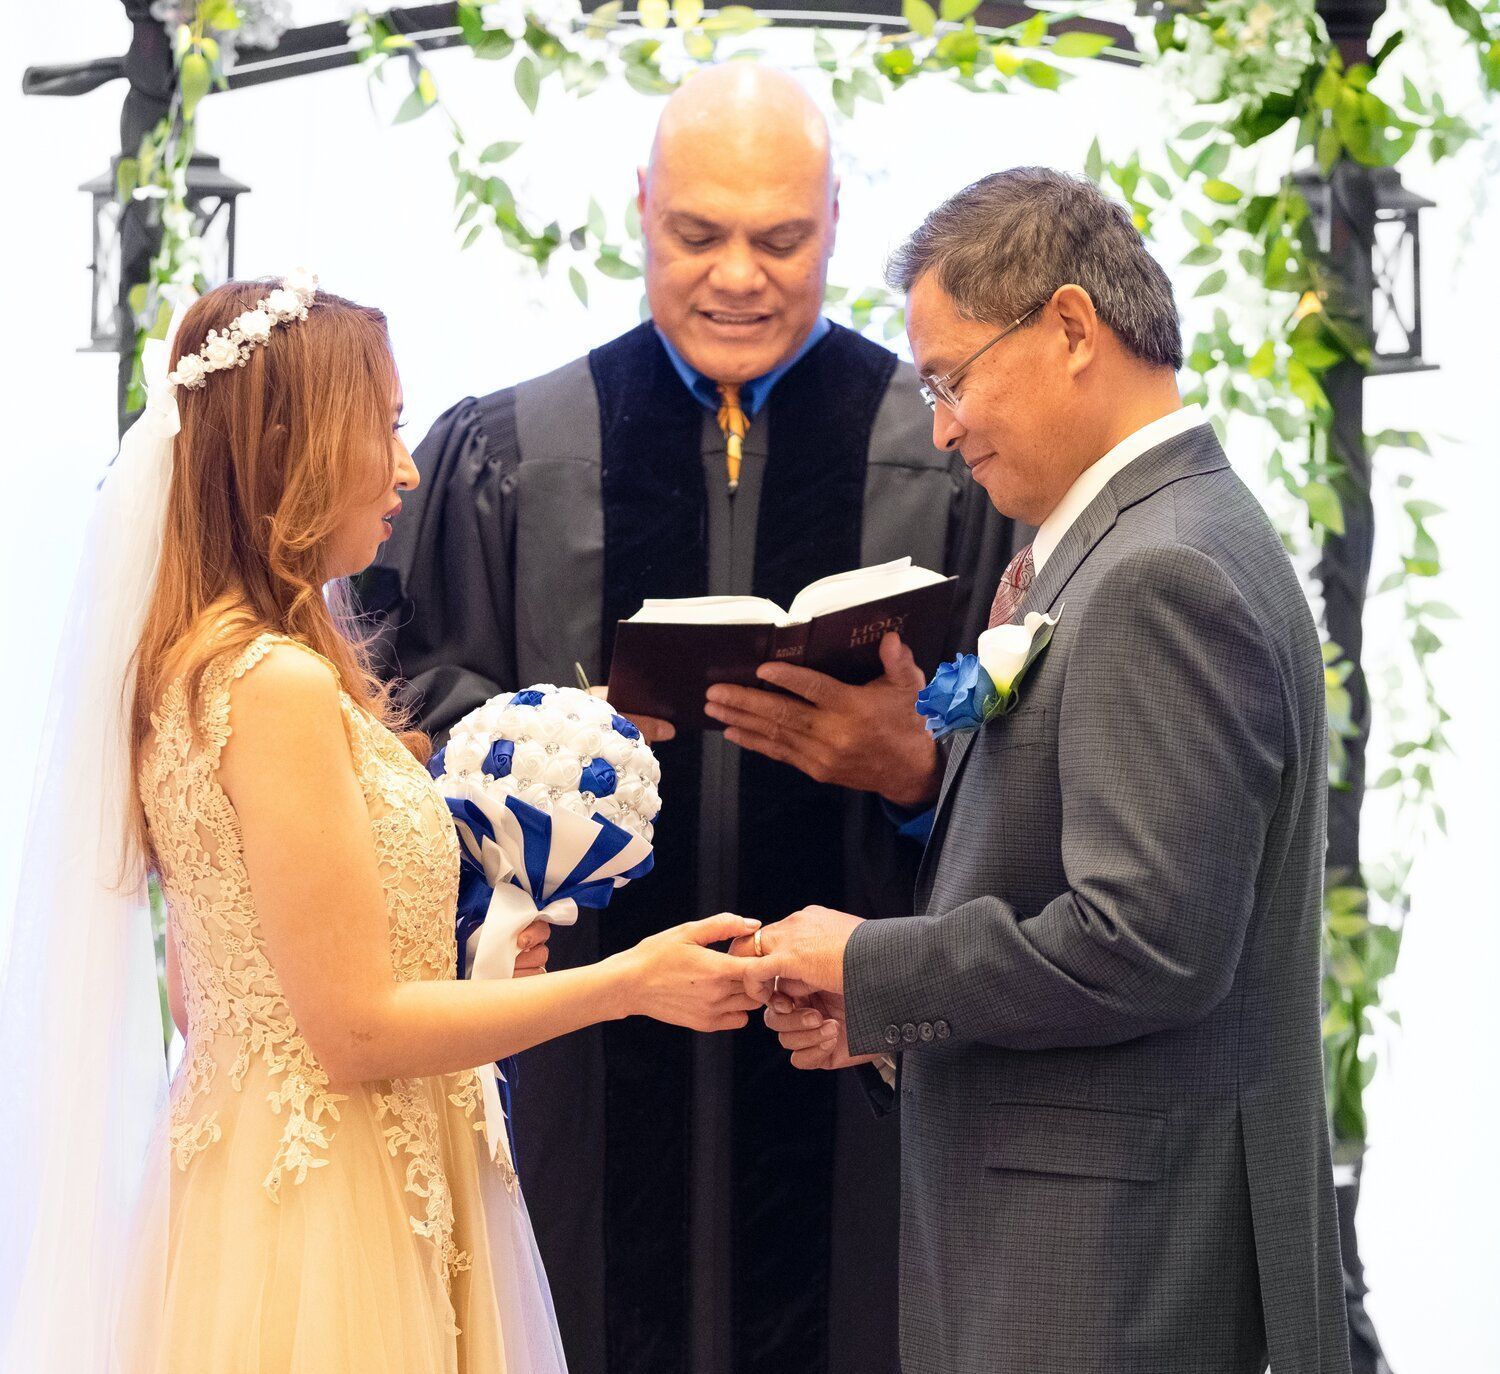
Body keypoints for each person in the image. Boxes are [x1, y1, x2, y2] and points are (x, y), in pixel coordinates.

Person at [361, 63, 1016, 1374]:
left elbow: (1043, 763)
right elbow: (397, 711)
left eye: (780, 238)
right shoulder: (512, 450)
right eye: (697, 233)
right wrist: (547, 749)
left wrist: (911, 770)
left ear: (836, 217)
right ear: (639, 210)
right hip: (581, 1061)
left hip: (850, 1063)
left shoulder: (944, 452)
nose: (738, 275)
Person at [0, 274, 765, 1373]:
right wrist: (632, 982)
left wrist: (481, 966)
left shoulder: (218, 668)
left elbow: (253, 977)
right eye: (387, 426)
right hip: (324, 1208)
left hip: (313, 1171)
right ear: (293, 445)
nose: (408, 467)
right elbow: (352, 1032)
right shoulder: (272, 687)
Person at [747, 168, 1352, 1374]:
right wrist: (894, 1024)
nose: (942, 425)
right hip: (1094, 1242)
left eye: (951, 375)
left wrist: (870, 963)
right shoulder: (1153, 538)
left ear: (1071, 327)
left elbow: (1144, 945)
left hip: (1111, 1271)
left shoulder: (1157, 573)